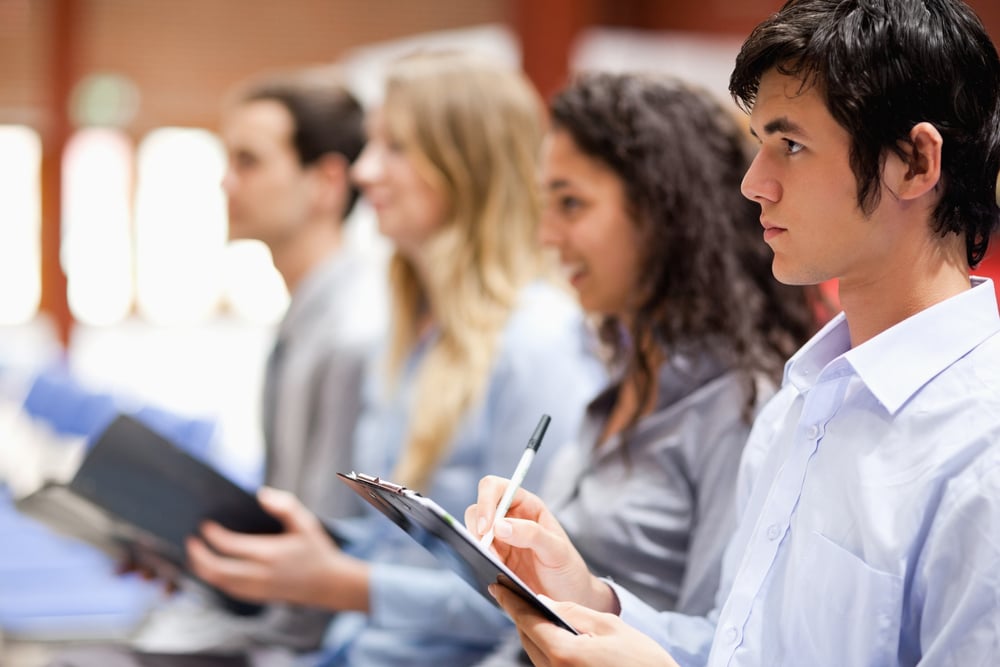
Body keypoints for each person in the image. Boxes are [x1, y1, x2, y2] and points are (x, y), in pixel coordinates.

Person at [466, 0, 1000, 665]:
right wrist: (587, 594)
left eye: (791, 145)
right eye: (758, 145)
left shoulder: (981, 446)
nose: (754, 184)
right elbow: (737, 645)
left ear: (915, 163)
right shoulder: (801, 402)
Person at [181, 51, 606, 667]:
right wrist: (278, 552)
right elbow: (393, 549)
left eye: (396, 148)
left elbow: (532, 598)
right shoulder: (411, 334)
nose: (365, 172)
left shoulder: (537, 341)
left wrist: (340, 583)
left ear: (466, 165)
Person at [474, 71, 818, 667]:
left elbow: (726, 643)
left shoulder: (740, 406)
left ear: (663, 213)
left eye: (571, 204)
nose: (547, 236)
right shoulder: (621, 378)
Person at [50, 68, 387, 667]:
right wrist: (182, 553)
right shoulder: (305, 319)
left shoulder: (353, 333)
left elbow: (324, 547)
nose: (227, 182)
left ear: (327, 181)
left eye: (249, 161)